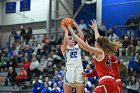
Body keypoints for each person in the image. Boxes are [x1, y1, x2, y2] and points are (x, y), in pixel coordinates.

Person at [67, 19, 121, 93]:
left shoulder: (99, 52)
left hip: (106, 83)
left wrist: (73, 33)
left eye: (96, 42)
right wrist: (95, 29)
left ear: (98, 45)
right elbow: (98, 39)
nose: (95, 42)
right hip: (111, 83)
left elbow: (85, 46)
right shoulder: (105, 52)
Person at [61, 20, 85, 93]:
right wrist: (66, 30)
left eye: (73, 38)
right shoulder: (64, 48)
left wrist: (76, 25)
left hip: (79, 71)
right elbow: (65, 39)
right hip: (70, 71)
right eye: (70, 38)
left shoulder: (78, 46)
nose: (72, 39)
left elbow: (82, 37)